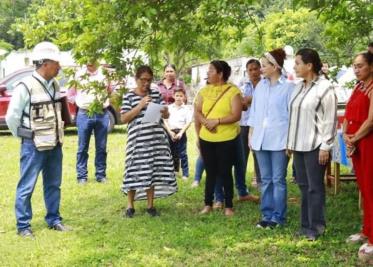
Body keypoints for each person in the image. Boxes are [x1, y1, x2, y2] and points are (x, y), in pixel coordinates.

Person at [5, 41, 70, 238]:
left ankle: (54, 219)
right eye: (56, 63)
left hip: (54, 143)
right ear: (44, 63)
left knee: (53, 184)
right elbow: (12, 117)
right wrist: (25, 137)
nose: (59, 67)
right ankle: (23, 226)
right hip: (33, 145)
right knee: (27, 185)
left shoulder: (55, 84)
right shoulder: (25, 86)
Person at [287, 48, 337, 241]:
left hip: (315, 145)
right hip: (298, 145)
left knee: (315, 187)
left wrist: (326, 146)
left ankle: (316, 227)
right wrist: (290, 142)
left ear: (309, 65)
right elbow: (293, 117)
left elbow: (330, 119)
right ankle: (305, 225)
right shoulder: (298, 86)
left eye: (298, 63)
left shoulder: (325, 87)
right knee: (303, 185)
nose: (294, 66)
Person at [121, 65, 177, 218]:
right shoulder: (129, 96)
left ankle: (150, 206)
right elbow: (124, 118)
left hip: (154, 140)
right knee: (133, 170)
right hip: (137, 141)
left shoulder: (155, 94)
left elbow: (165, 117)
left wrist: (165, 112)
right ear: (136, 79)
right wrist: (140, 105)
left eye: (149, 80)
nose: (146, 83)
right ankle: (130, 206)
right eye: (143, 80)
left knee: (151, 170)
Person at [248, 48, 294, 228]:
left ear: (275, 67)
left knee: (278, 180)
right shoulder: (260, 86)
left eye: (265, 65)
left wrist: (290, 142)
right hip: (260, 139)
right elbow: (254, 112)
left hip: (280, 141)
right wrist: (251, 135)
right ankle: (266, 215)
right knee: (265, 180)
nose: (261, 69)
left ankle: (278, 217)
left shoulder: (289, 88)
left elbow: (291, 117)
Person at [195, 60, 241, 216]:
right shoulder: (203, 91)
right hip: (206, 138)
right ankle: (208, 203)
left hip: (226, 138)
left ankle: (228, 205)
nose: (207, 73)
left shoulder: (233, 91)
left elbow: (236, 115)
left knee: (225, 171)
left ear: (220, 74)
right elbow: (198, 112)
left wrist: (218, 121)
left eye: (211, 70)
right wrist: (206, 122)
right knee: (210, 172)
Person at [343, 51, 373, 262]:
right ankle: (367, 229)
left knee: (371, 187)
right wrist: (346, 134)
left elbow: (371, 121)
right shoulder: (358, 86)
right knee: (363, 186)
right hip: (356, 141)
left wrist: (353, 139)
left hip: (368, 142)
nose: (356, 69)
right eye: (354, 66)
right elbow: (347, 115)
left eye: (360, 65)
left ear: (371, 67)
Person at [70, 61, 110, 184]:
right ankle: (81, 176)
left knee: (101, 147)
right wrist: (80, 101)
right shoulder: (78, 74)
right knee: (82, 147)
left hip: (102, 113)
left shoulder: (104, 73)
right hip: (84, 113)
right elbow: (70, 93)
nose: (89, 61)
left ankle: (101, 175)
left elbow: (109, 90)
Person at [164, 89, 193, 180]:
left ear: (184, 97)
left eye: (181, 96)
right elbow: (165, 120)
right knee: (172, 153)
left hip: (181, 132)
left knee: (183, 153)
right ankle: (175, 171)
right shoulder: (169, 107)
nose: (179, 98)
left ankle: (185, 174)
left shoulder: (187, 109)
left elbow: (188, 122)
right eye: (177, 95)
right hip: (170, 132)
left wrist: (181, 133)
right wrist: (170, 132)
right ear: (173, 96)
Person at [241, 59, 262, 188]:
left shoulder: (266, 84)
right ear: (247, 71)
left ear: (260, 69)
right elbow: (241, 102)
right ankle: (241, 184)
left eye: (256, 69)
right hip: (244, 123)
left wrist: (251, 99)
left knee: (258, 154)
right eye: (250, 69)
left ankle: (259, 181)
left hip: (259, 124)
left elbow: (265, 102)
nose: (253, 72)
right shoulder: (242, 84)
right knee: (242, 155)